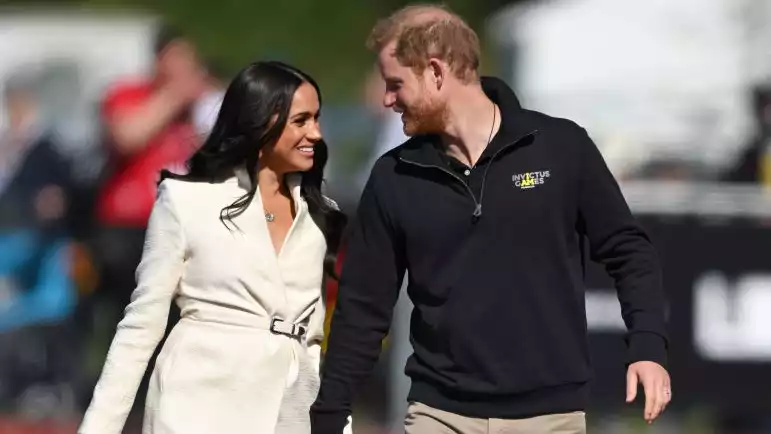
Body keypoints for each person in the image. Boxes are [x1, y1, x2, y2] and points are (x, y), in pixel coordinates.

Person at [311, 5, 671, 434]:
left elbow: (630, 252)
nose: (387, 100)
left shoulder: (560, 147)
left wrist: (648, 347)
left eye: (396, 85)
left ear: (436, 72)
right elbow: (362, 310)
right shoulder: (393, 177)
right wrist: (329, 415)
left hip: (550, 417)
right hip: (437, 414)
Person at [78, 60, 347, 434]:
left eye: (316, 118)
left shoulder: (320, 214)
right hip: (195, 408)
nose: (316, 133)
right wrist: (98, 428)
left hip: (289, 413)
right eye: (301, 120)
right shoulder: (186, 200)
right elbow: (141, 326)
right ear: (263, 121)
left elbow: (313, 341)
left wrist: (338, 423)